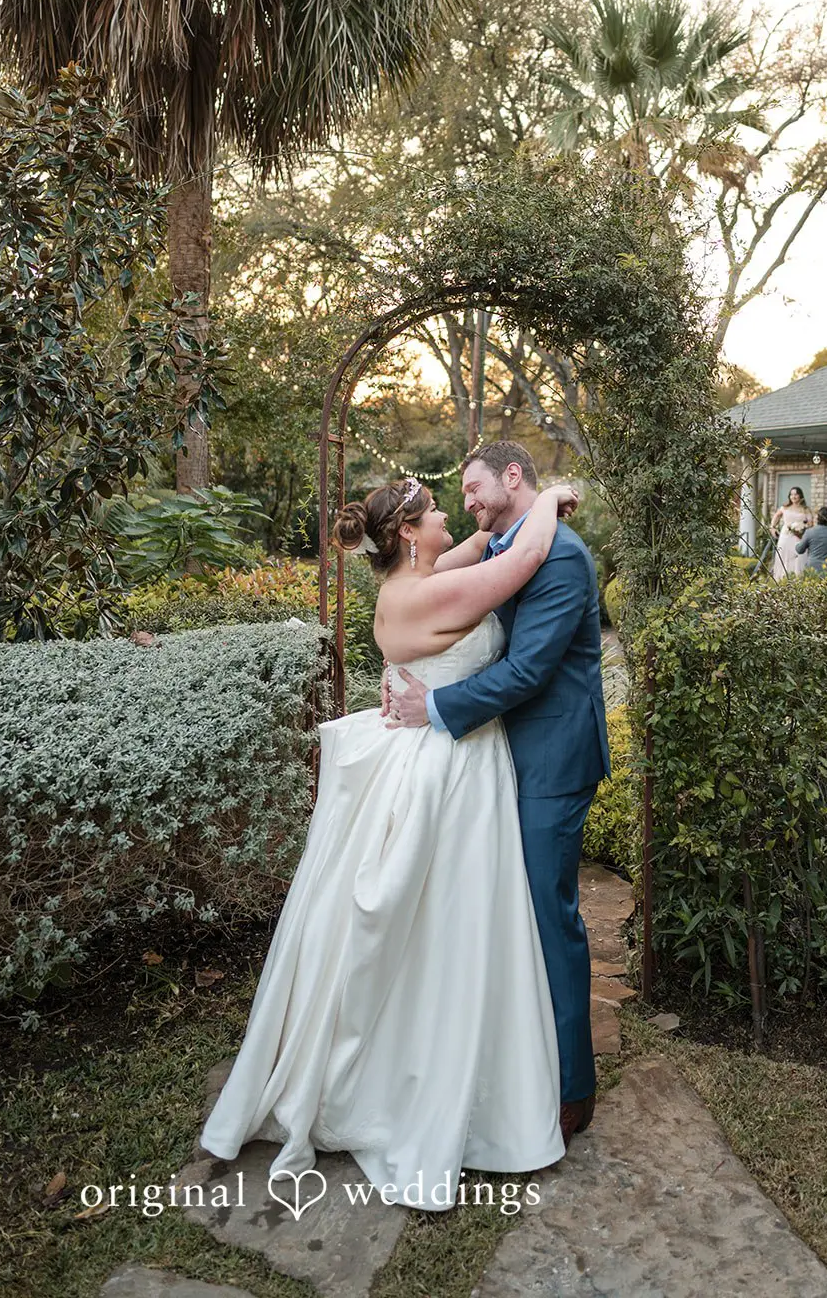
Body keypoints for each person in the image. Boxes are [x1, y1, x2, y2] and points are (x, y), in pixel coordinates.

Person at [200, 469, 584, 1211]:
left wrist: (520, 512)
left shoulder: (423, 578)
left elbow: (481, 542)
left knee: (446, 922)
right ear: (409, 533)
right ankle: (425, 1084)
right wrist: (549, 495)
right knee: (450, 925)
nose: (450, 517)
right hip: (449, 771)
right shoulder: (428, 593)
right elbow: (523, 557)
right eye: (434, 509)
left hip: (451, 756)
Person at [388, 441, 611, 1148]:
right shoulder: (505, 546)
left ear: (513, 476)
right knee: (507, 915)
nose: (470, 502)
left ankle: (571, 1086)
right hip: (505, 754)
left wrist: (437, 707)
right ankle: (515, 1061)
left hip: (551, 756)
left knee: (550, 917)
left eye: (476, 486)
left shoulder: (563, 557)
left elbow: (526, 671)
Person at [769, 485, 813, 579]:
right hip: (785, 535)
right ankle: (781, 578)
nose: (793, 496)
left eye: (796, 494)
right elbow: (776, 516)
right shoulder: (785, 507)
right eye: (791, 494)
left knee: (798, 556)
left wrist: (802, 528)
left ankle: (797, 578)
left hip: (799, 536)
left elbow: (810, 523)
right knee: (783, 555)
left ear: (800, 496)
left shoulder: (805, 509)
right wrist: (772, 527)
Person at [795, 505, 827, 574]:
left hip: (812, 571)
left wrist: (797, 541)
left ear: (817, 518)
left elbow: (799, 550)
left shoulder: (809, 532)